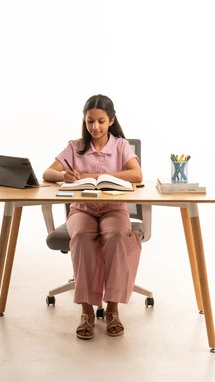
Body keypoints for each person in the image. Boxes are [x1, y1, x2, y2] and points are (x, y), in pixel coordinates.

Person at [43, 94, 143, 339]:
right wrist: (63, 176)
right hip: (82, 209)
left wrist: (106, 177)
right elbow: (47, 172)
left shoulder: (120, 145)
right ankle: (86, 311)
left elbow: (137, 174)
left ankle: (112, 309)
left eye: (100, 121)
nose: (95, 127)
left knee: (117, 234)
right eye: (90, 121)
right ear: (84, 121)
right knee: (82, 237)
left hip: (114, 208)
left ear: (111, 120)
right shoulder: (75, 146)